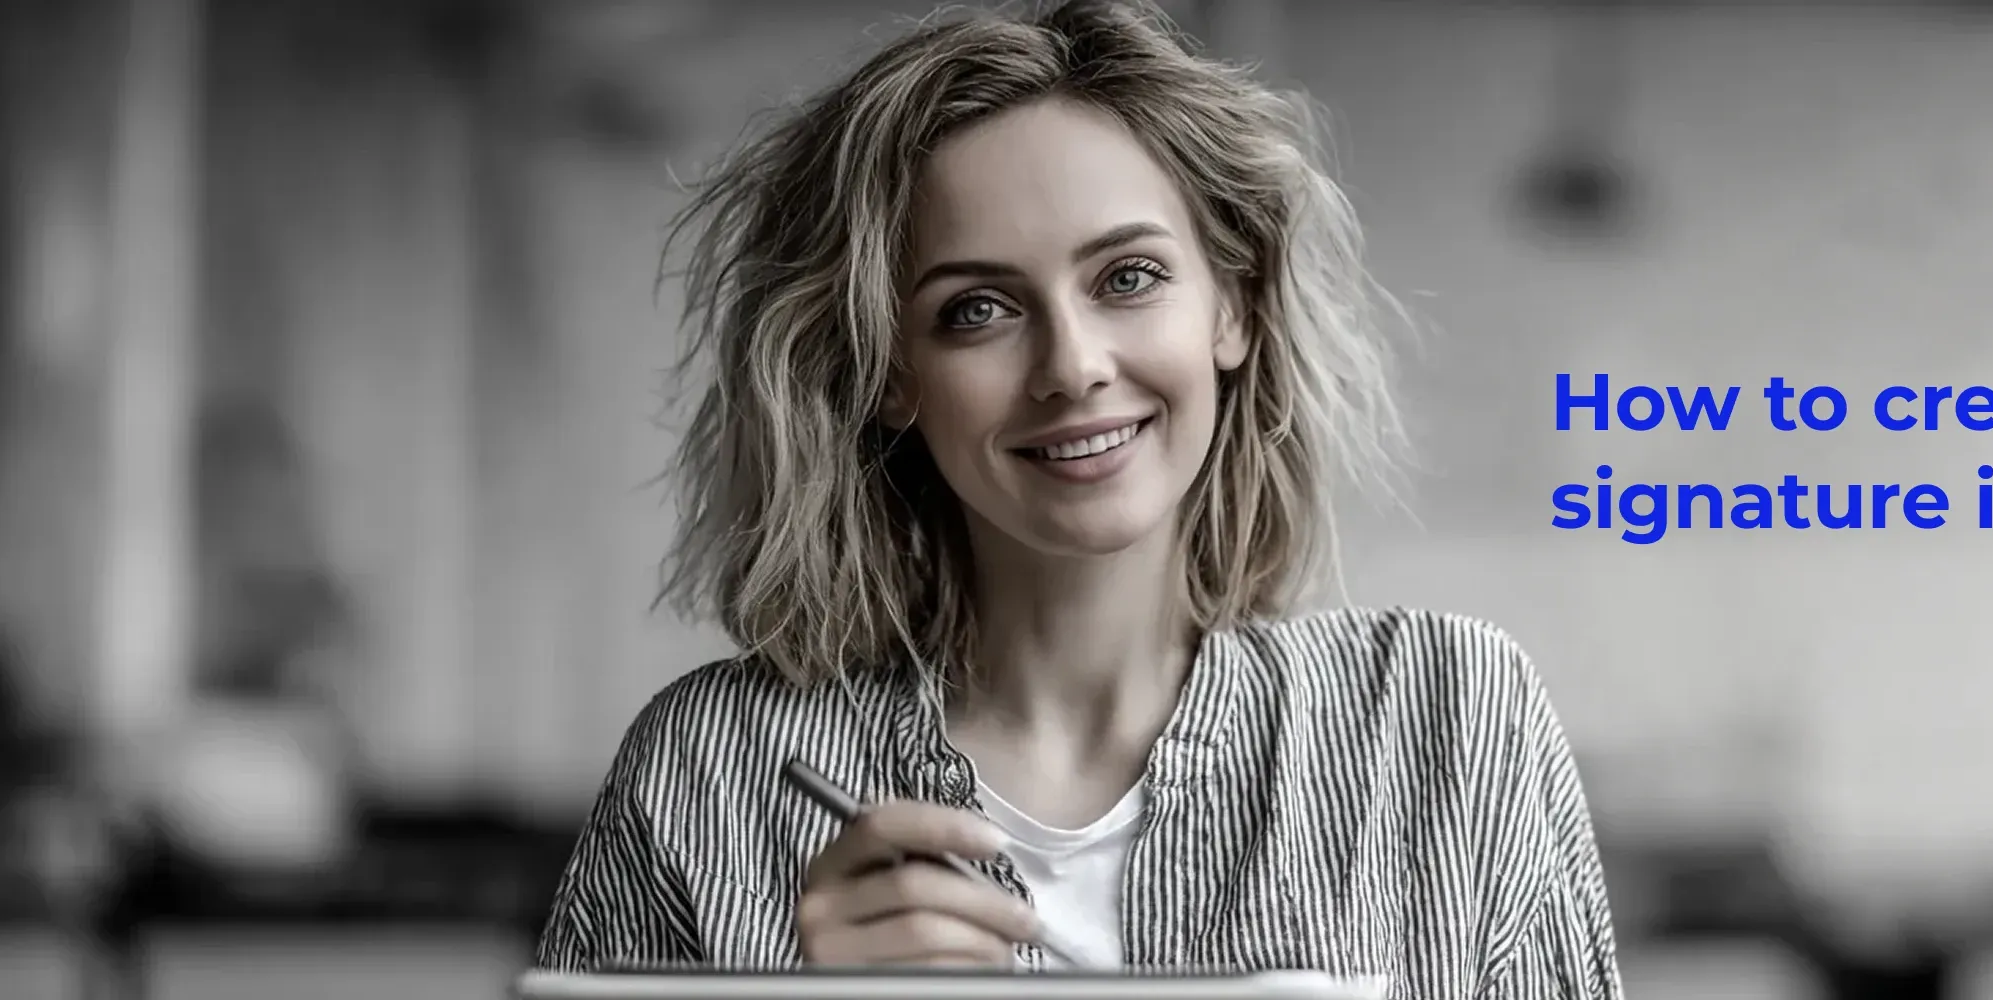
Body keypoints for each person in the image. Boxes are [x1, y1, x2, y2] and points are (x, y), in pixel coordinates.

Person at [530, 2, 1621, 996]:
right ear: (892, 375)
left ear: (1231, 309)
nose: (1074, 364)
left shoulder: (1447, 721)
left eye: (1128, 278)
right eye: (977, 310)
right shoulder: (709, 775)